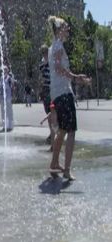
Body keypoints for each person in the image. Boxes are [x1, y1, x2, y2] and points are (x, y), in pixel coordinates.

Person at [46, 16, 92, 181]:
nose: (68, 29)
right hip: (64, 93)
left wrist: (75, 78)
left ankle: (54, 163)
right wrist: (75, 76)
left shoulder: (53, 47)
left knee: (63, 130)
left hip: (58, 93)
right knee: (71, 131)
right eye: (66, 26)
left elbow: (57, 69)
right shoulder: (58, 46)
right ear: (59, 30)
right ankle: (66, 169)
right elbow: (59, 68)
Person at [38, 45, 57, 146]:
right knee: (49, 114)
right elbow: (41, 79)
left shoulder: (52, 64)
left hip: (51, 91)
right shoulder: (41, 66)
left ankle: (54, 136)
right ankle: (52, 133)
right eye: (43, 53)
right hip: (45, 91)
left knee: (51, 114)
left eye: (45, 52)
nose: (44, 55)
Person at [0, 66, 15, 132]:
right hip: (2, 97)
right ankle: (4, 126)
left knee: (9, 112)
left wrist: (13, 96)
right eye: (3, 70)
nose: (4, 71)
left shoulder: (9, 78)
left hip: (8, 97)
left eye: (5, 70)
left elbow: (12, 87)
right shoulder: (1, 78)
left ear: (7, 71)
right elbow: (0, 88)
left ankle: (10, 126)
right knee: (3, 112)